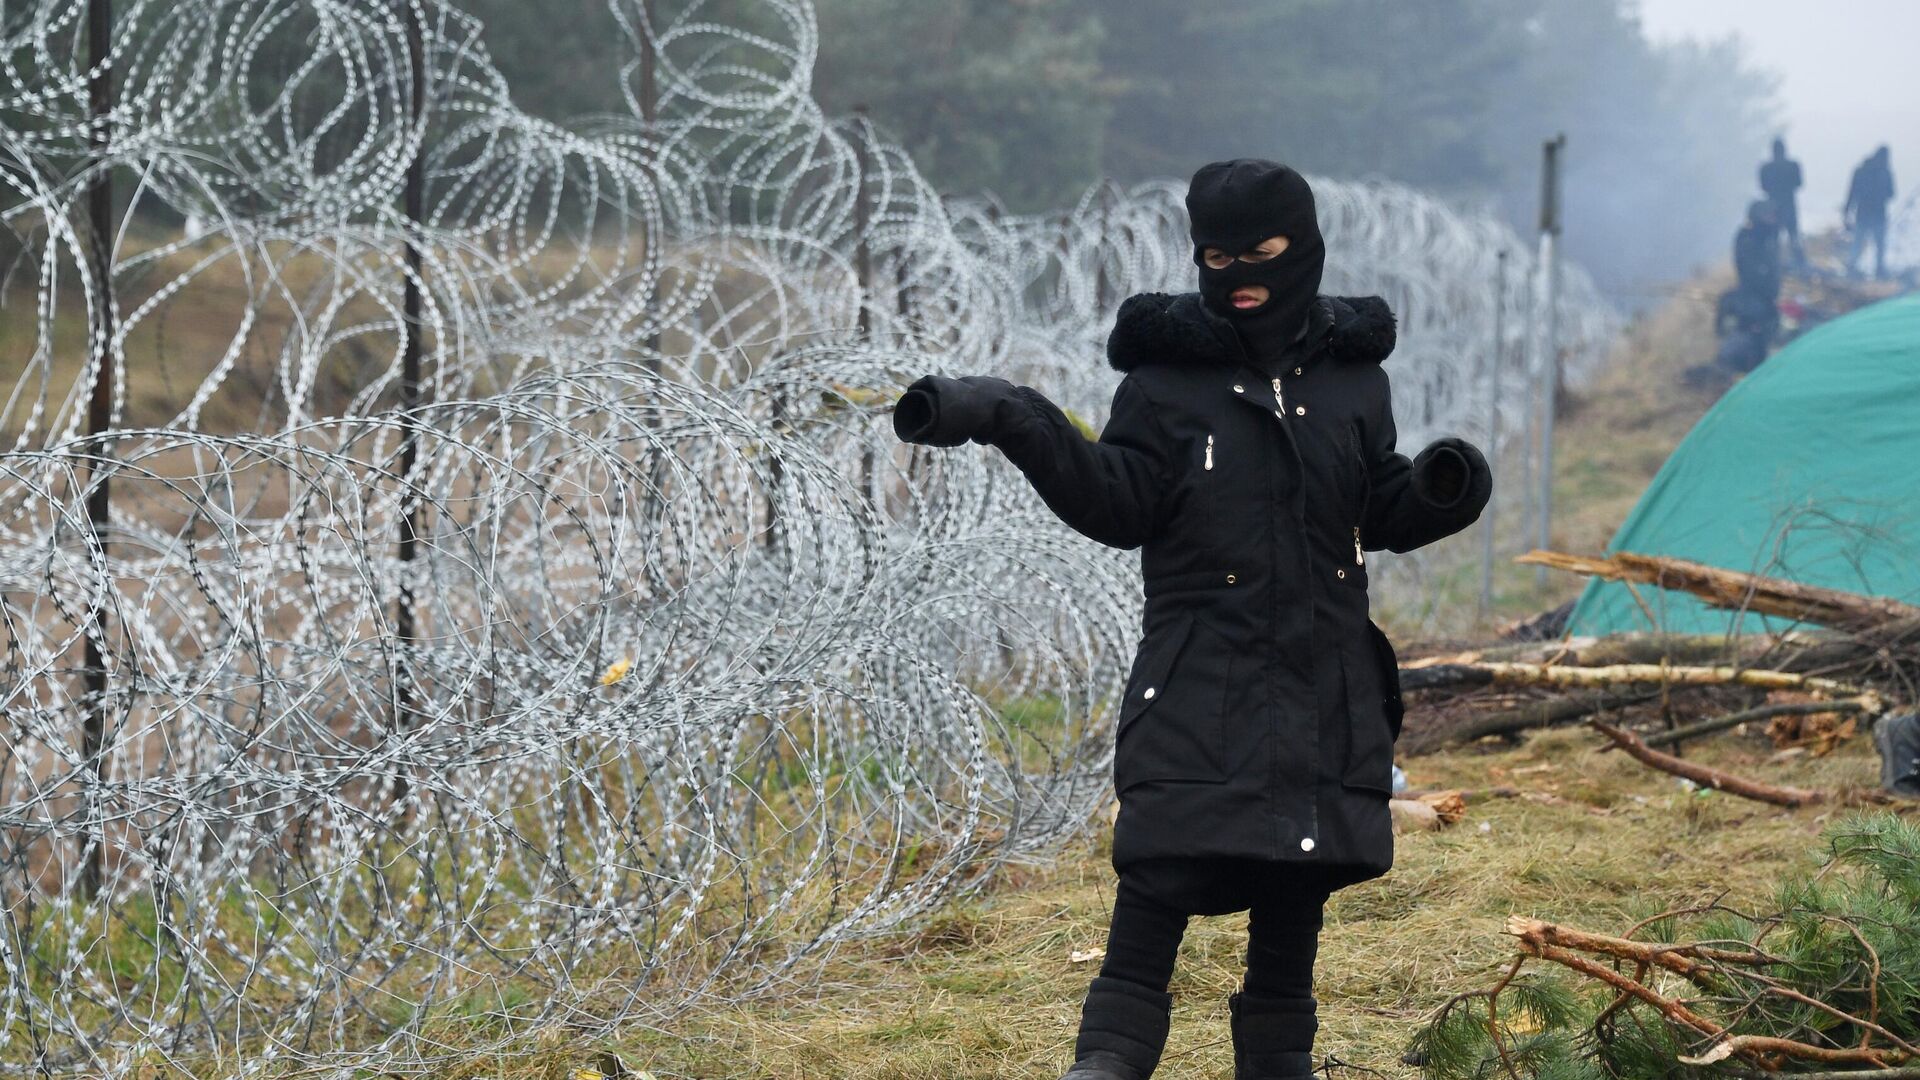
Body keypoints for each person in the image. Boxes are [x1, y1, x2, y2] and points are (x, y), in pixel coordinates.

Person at [890, 159, 1492, 1080]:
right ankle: (1106, 1065)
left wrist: (1443, 489)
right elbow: (1117, 501)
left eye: (1261, 252)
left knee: (1295, 902)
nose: (1238, 273)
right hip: (1200, 674)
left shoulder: (1353, 381)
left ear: (1305, 247)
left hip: (1323, 678)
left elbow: (1376, 509)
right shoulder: (1166, 383)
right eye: (1216, 256)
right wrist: (1010, 416)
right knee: (1159, 879)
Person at [1844, 145, 1895, 280]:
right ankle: (1857, 268)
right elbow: (1891, 193)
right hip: (1872, 214)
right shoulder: (1882, 172)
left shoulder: (1863, 171)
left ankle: (1863, 268)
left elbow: (1852, 193)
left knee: (1865, 243)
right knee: (1867, 243)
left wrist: (1847, 211)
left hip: (1870, 214)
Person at [1758, 137, 1804, 268]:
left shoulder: (1766, 168)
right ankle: (1800, 262)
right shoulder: (1793, 165)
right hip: (1789, 204)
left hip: (1773, 206)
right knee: (1793, 235)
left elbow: (1763, 187)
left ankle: (1774, 261)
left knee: (1773, 236)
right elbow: (1799, 183)